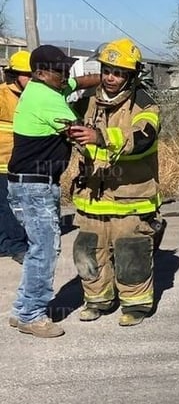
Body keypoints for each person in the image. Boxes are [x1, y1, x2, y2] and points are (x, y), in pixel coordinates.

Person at [66, 38, 162, 327]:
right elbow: (56, 93)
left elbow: (145, 138)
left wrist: (102, 138)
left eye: (119, 72)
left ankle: (136, 305)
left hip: (130, 197)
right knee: (87, 251)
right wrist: (79, 82)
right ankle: (97, 300)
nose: (111, 77)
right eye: (107, 70)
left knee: (131, 253)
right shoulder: (87, 100)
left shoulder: (144, 102)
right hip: (92, 196)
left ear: (131, 76)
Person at [8, 45, 100, 338]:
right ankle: (31, 315)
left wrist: (105, 77)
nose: (65, 75)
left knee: (38, 247)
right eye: (59, 70)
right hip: (34, 184)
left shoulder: (47, 86)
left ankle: (23, 308)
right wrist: (106, 141)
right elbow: (81, 135)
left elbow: (78, 82)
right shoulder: (48, 99)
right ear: (39, 73)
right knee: (46, 248)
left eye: (66, 69)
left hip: (30, 181)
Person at [0, 51, 32, 263]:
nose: (30, 80)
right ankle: (15, 246)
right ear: (14, 75)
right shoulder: (3, 95)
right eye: (26, 75)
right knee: (7, 205)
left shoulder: (33, 96)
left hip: (21, 161)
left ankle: (9, 243)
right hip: (3, 161)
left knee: (13, 205)